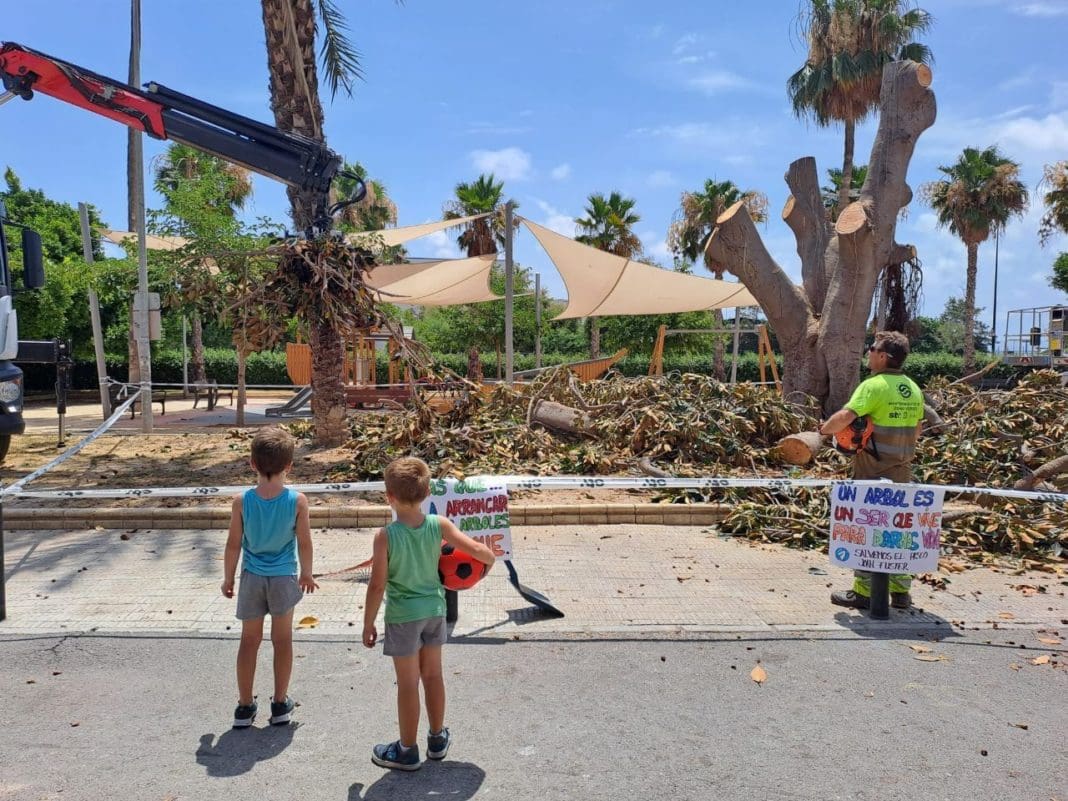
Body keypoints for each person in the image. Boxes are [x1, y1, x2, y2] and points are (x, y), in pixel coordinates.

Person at [363, 456, 496, 771]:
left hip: (402, 616)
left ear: (389, 497)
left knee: (408, 683)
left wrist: (368, 623)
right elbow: (479, 551)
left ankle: (407, 750)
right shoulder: (439, 525)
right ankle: (437, 739)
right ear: (426, 495)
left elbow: (378, 585)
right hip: (435, 611)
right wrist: (488, 562)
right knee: (433, 675)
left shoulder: (385, 536)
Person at [819, 330, 925, 611]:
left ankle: (863, 592)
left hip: (871, 471)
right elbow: (916, 431)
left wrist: (823, 431)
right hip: (902, 472)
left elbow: (846, 417)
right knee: (897, 531)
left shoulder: (873, 386)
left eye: (872, 348)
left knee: (866, 530)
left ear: (883, 356)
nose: (868, 352)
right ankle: (901, 593)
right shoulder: (913, 388)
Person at [221, 426, 318, 728]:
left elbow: (234, 543)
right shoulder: (297, 500)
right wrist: (307, 572)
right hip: (284, 577)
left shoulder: (242, 501)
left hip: (251, 576)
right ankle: (279, 703)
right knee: (282, 640)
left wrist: (228, 578)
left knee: (249, 641)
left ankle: (245, 705)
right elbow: (304, 541)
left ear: (252, 463)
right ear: (289, 465)